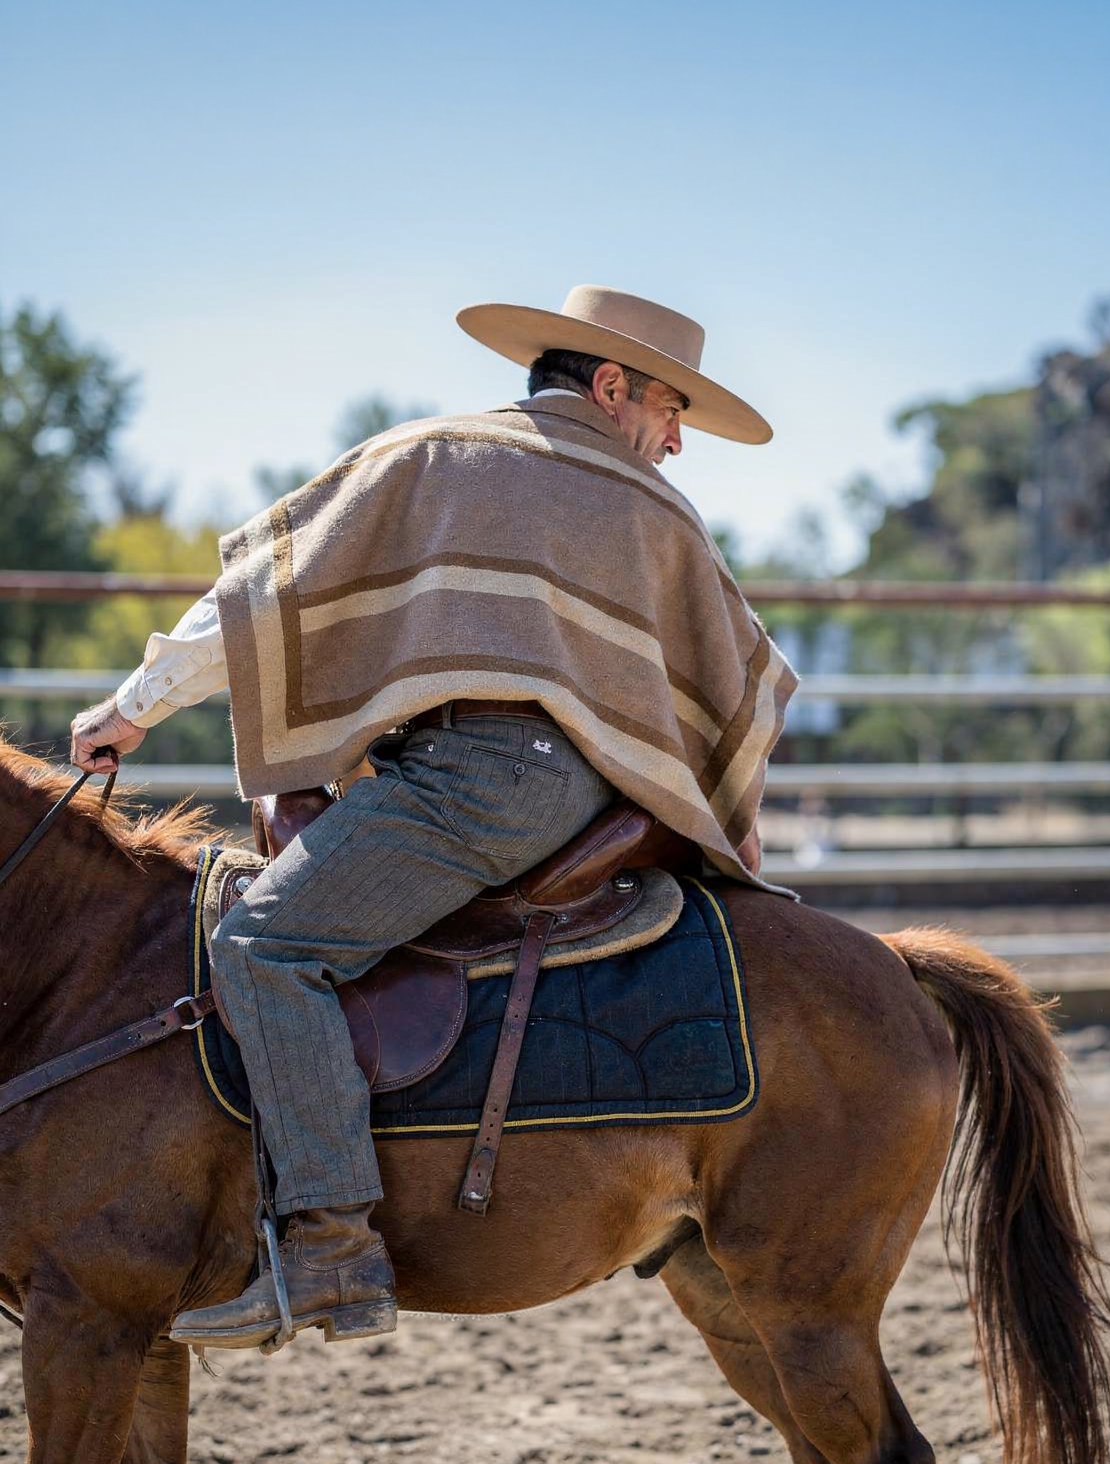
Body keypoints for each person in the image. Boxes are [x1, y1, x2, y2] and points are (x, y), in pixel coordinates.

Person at [70, 285, 796, 1352]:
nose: (676, 441)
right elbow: (742, 679)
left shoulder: (429, 459)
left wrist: (128, 712)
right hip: (584, 790)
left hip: (476, 779)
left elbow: (258, 593)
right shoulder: (653, 510)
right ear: (609, 386)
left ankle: (330, 1246)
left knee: (263, 943)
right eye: (671, 409)